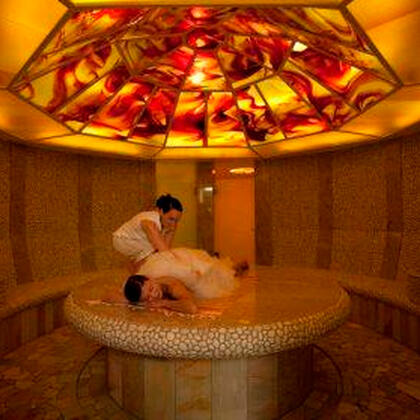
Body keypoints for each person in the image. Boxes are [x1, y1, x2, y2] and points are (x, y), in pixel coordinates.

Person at [113, 194, 183, 273]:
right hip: (122, 240)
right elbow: (164, 252)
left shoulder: (170, 225)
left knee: (155, 253)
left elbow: (166, 247)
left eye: (177, 220)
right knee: (152, 251)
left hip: (137, 240)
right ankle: (138, 274)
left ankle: (135, 271)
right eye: (171, 219)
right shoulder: (150, 223)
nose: (173, 224)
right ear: (160, 211)